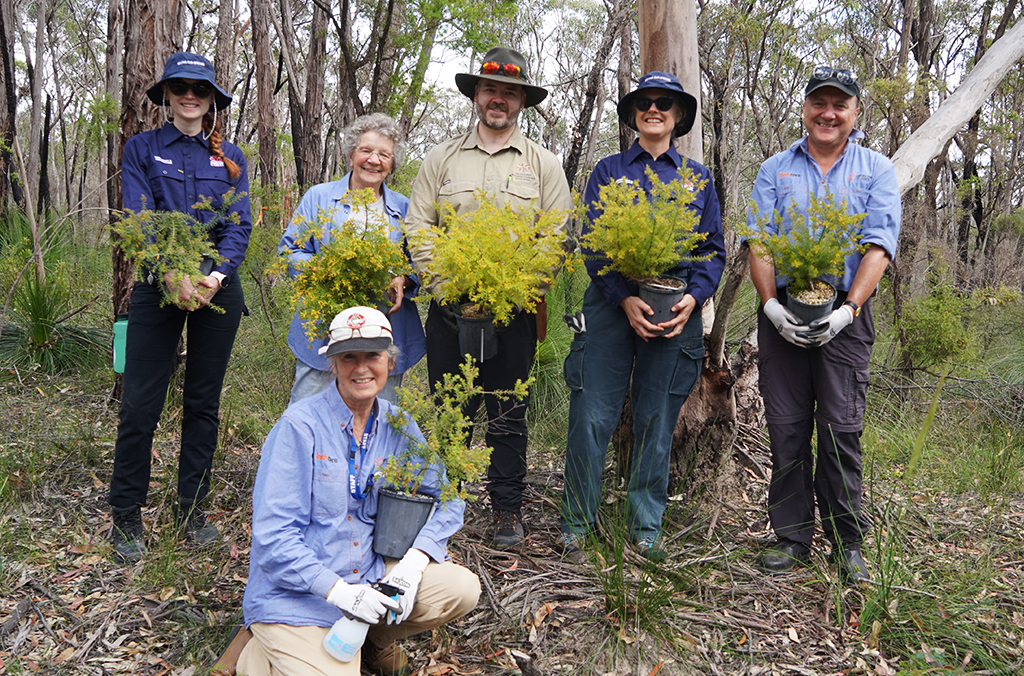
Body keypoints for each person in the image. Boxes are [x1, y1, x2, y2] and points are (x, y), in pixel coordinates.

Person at [237, 306, 480, 676]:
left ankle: (373, 641)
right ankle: (262, 648)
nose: (361, 367)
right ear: (332, 364)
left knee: (460, 588)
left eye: (373, 355)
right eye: (349, 356)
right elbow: (274, 538)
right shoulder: (299, 427)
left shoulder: (398, 424)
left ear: (390, 362)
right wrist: (339, 593)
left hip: (371, 579)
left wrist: (412, 566)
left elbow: (446, 499)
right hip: (301, 597)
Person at [404, 47, 572, 550]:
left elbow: (556, 234)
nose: (498, 98)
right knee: (451, 406)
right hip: (449, 313)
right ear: (476, 95)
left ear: (522, 101)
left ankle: (506, 509)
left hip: (514, 313)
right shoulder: (441, 158)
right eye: (490, 89)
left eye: (510, 91)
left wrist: (514, 292)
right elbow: (419, 226)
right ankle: (449, 500)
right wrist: (447, 287)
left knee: (506, 412)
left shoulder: (543, 164)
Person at [559, 72, 726, 563]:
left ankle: (646, 525)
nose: (654, 110)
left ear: (678, 117)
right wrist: (621, 298)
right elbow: (591, 243)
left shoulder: (699, 179)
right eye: (645, 104)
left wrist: (694, 299)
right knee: (591, 414)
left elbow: (713, 251)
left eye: (665, 104)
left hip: (675, 306)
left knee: (658, 420)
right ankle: (576, 523)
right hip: (612, 305)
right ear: (634, 114)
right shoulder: (608, 171)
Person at [746, 66, 900, 583]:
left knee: (839, 430)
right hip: (785, 311)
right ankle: (792, 538)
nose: (828, 113)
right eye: (819, 103)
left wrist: (848, 309)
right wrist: (769, 305)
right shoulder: (775, 169)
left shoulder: (876, 170)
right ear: (806, 108)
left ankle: (846, 542)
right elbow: (761, 242)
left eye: (840, 104)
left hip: (845, 314)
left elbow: (879, 246)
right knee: (787, 427)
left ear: (855, 113)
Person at [109, 52, 251, 563]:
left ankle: (192, 511)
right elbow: (140, 215)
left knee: (202, 404)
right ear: (166, 95)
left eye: (200, 88)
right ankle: (126, 514)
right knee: (141, 404)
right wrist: (171, 272)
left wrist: (213, 277)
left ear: (212, 98)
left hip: (217, 290)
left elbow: (239, 225)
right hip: (157, 286)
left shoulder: (231, 156)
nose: (190, 96)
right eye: (180, 87)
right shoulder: (141, 148)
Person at [279, 114, 425, 407]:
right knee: (307, 414)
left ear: (392, 163)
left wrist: (405, 279)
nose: (374, 160)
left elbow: (420, 263)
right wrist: (329, 271)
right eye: (366, 151)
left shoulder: (405, 208)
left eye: (384, 154)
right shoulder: (318, 198)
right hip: (324, 328)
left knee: (380, 419)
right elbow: (289, 253)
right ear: (350, 155)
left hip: (385, 331)